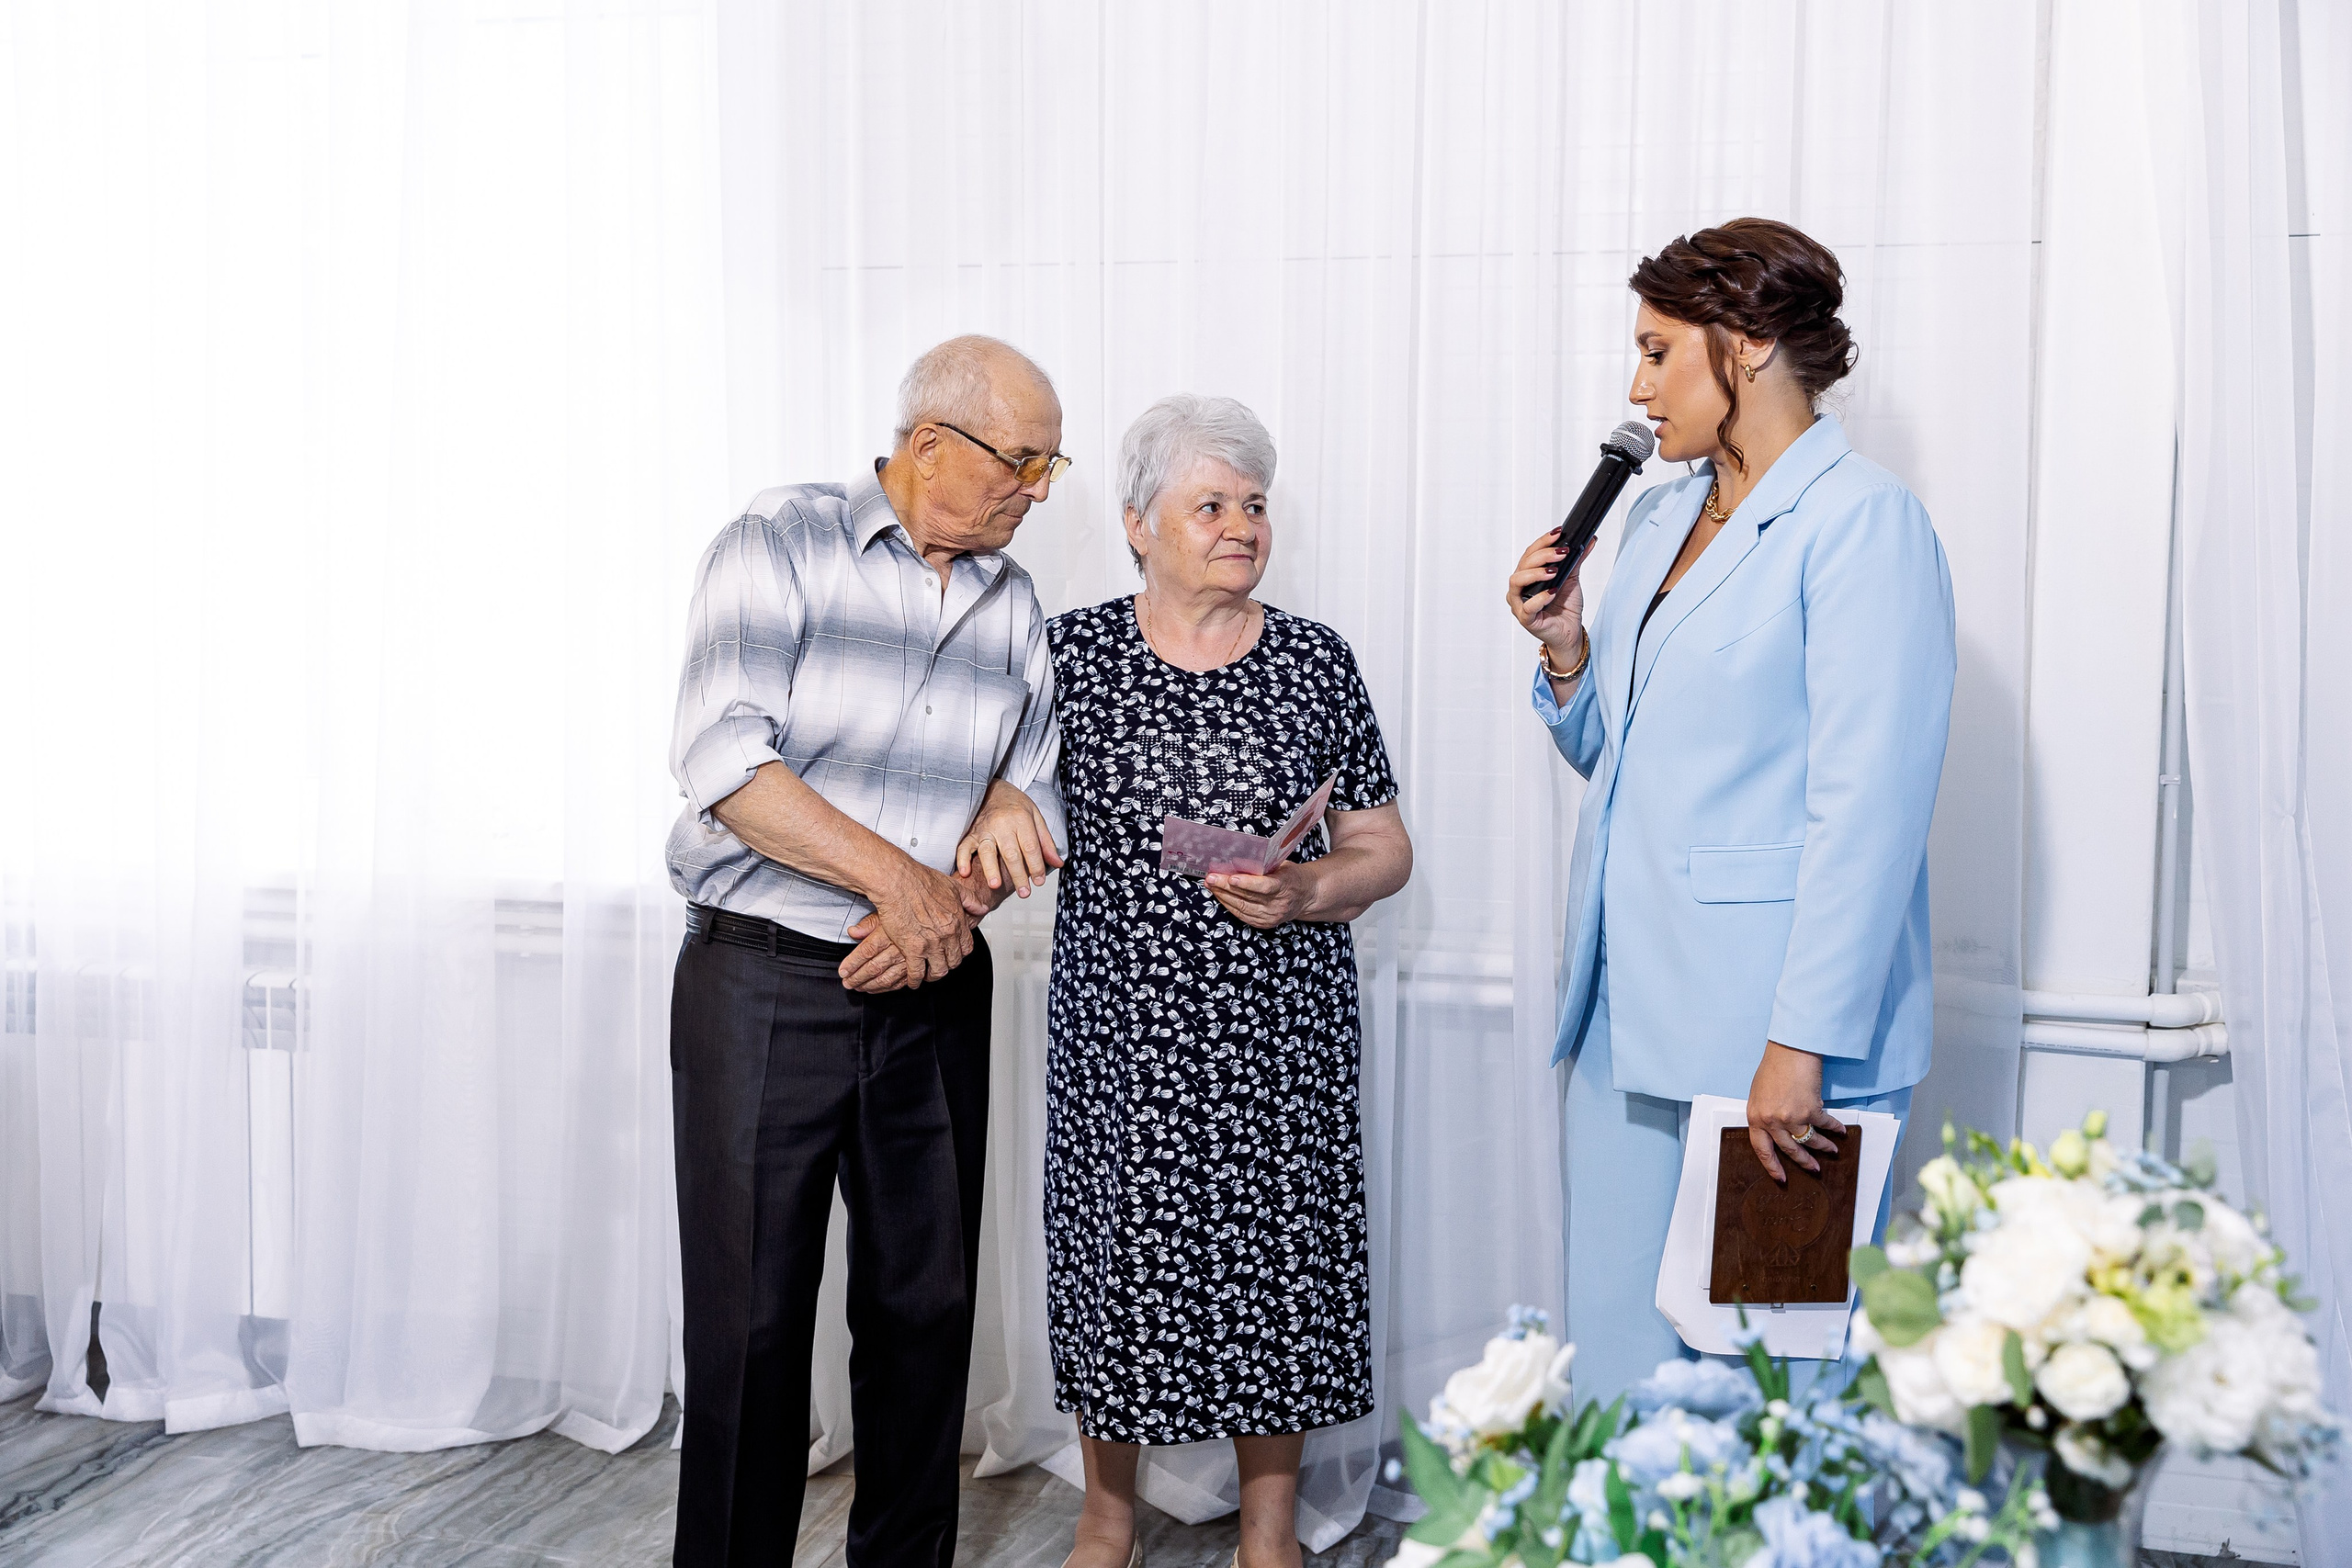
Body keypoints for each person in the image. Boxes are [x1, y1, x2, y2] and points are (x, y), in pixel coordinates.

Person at [1504, 220, 1957, 1404]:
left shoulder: (1863, 524)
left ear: (1746, 348)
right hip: (1622, 1020)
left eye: (1658, 354)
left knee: (1769, 1389)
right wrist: (1567, 655)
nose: (1635, 387)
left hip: (1775, 1043)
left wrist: (1797, 1045)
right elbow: (1619, 756)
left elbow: (1869, 811)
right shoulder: (1654, 521)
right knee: (1616, 1378)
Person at [958, 396, 1412, 1568]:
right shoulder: (1068, 655)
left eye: (1254, 505)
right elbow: (996, 793)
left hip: (1282, 1038)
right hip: (1123, 1037)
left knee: (1283, 1267)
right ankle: (1106, 1515)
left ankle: (1271, 1527)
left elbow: (1384, 847)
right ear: (1135, 524)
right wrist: (1003, 805)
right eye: (1209, 504)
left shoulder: (1315, 661)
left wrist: (1310, 889)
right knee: (1117, 1265)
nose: (1240, 525)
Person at [664, 334, 1071, 1568]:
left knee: (923, 1315)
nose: (1038, 491)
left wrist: (1003, 816)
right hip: (762, 985)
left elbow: (1045, 791)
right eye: (1023, 461)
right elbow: (725, 760)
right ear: (931, 444)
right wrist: (908, 886)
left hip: (934, 998)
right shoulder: (776, 541)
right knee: (751, 1325)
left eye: (1052, 466)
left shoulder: (1017, 604)